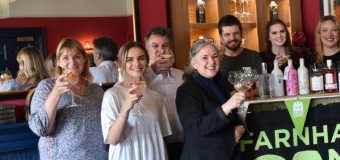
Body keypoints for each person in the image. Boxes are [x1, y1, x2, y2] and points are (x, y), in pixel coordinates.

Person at [28, 38, 107, 159]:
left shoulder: (96, 90)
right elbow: (40, 129)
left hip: (96, 155)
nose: (72, 62)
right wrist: (56, 93)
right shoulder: (46, 87)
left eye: (77, 56)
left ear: (84, 59)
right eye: (65, 58)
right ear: (59, 62)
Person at [176, 39, 246, 160]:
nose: (211, 62)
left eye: (214, 56)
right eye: (204, 58)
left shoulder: (221, 83)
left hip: (229, 153)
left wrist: (241, 127)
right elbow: (196, 128)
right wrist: (227, 106)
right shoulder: (186, 91)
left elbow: (235, 116)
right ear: (193, 63)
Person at [101, 42, 171, 160]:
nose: (136, 63)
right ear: (122, 63)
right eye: (130, 59)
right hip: (126, 155)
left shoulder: (156, 96)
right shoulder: (112, 95)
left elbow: (161, 137)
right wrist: (126, 108)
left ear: (147, 61)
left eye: (141, 58)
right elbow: (112, 140)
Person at [143, 26, 185, 160]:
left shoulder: (182, 77)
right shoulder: (139, 77)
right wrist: (153, 70)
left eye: (165, 45)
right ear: (147, 49)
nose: (161, 50)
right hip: (154, 145)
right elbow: (122, 90)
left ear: (170, 49)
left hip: (183, 143)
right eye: (155, 46)